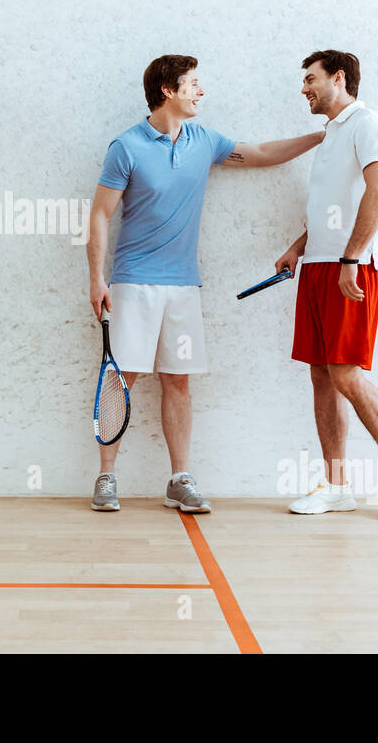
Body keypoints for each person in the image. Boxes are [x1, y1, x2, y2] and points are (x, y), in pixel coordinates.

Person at [86, 54, 324, 513]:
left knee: (178, 382)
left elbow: (259, 154)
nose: (201, 92)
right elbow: (100, 214)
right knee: (121, 379)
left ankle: (179, 479)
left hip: (184, 287)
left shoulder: (204, 141)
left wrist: (320, 136)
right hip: (133, 284)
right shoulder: (127, 147)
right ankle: (106, 477)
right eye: (193, 84)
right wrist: (96, 279)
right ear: (167, 91)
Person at [274, 50, 378, 520]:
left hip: (352, 264)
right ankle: (337, 486)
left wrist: (350, 257)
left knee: (345, 372)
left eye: (311, 79)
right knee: (321, 374)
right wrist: (301, 245)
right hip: (321, 263)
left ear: (338, 78)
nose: (304, 88)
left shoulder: (369, 124)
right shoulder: (332, 135)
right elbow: (334, 203)